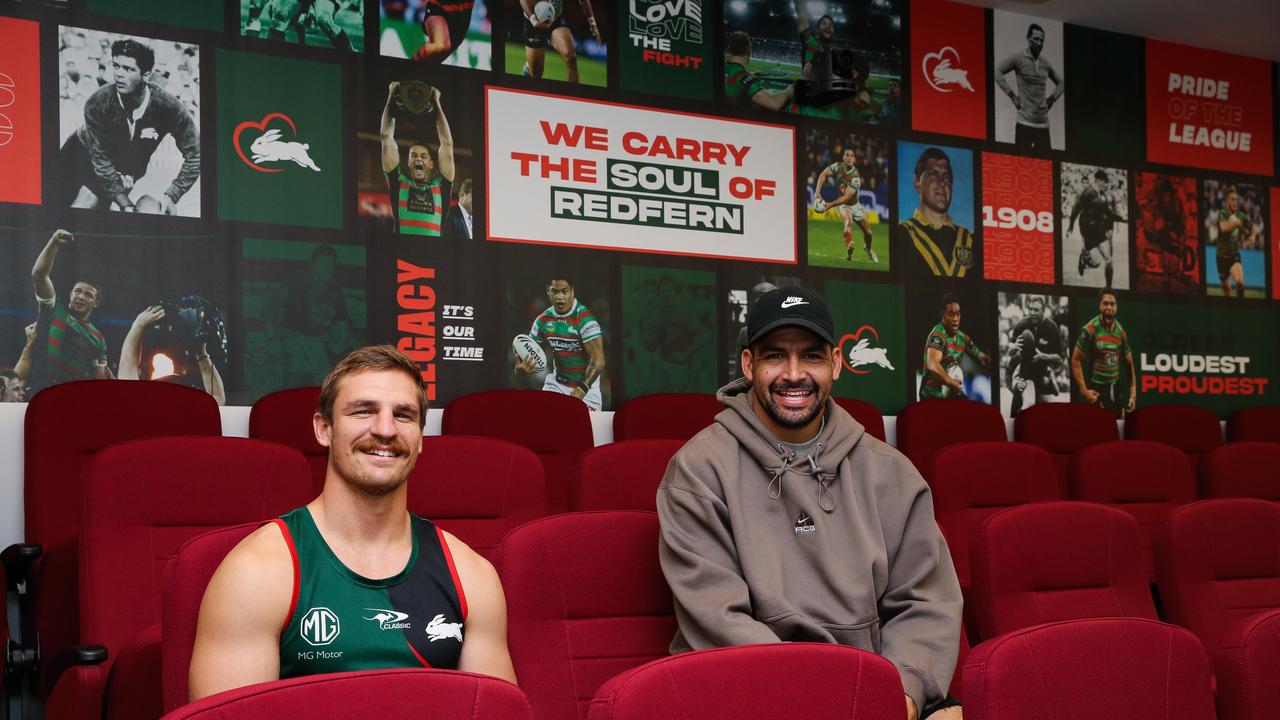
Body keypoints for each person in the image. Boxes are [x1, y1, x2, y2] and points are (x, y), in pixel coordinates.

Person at [658, 286, 963, 720]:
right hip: (752, 695)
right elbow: (720, 621)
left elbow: (925, 604)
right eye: (775, 355)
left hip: (874, 698)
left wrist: (903, 696)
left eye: (812, 356)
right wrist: (823, 701)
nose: (794, 373)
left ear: (836, 363)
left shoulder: (892, 473)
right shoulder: (697, 471)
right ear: (749, 364)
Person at [189, 345, 516, 699]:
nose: (385, 429)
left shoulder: (471, 575)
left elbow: (495, 710)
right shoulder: (256, 572)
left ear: (421, 438)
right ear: (324, 428)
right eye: (363, 411)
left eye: (404, 415)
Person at [57, 38, 200, 213]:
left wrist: (172, 195)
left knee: (89, 208)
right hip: (78, 154)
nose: (119, 74)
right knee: (59, 212)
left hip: (116, 169)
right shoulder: (97, 103)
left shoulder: (168, 107)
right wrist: (123, 201)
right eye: (116, 66)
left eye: (128, 69)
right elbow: (101, 162)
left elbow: (196, 154)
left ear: (146, 75)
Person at [27, 230, 112, 393]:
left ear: (97, 303)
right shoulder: (54, 309)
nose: (81, 297)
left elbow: (99, 379)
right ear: (70, 294)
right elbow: (38, 276)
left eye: (88, 295)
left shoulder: (98, 338)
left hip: (73, 398)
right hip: (39, 392)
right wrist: (54, 243)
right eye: (77, 291)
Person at [514, 278, 605, 410]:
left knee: (581, 429)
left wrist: (581, 389)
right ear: (548, 292)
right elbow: (527, 353)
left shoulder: (585, 320)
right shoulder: (542, 320)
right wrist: (519, 370)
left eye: (564, 291)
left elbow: (599, 361)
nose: (560, 297)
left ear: (572, 292)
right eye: (555, 292)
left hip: (586, 390)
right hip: (556, 386)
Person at [381, 81, 455, 237]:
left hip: (434, 256)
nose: (418, 159)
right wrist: (391, 97)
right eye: (413, 155)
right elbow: (386, 137)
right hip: (403, 254)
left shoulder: (441, 186)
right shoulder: (398, 183)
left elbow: (447, 143)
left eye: (423, 156)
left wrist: (436, 102)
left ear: (431, 164)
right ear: (408, 162)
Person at [118, 305, 227, 405]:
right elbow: (217, 399)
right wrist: (201, 354)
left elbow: (126, 368)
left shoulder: (144, 410)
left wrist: (139, 324)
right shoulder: (189, 413)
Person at [894, 148, 975, 277]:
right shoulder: (900, 234)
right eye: (933, 174)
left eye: (946, 176)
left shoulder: (971, 240)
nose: (941, 182)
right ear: (917, 183)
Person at [994, 23, 1063, 150]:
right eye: (1036, 39)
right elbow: (997, 71)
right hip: (1024, 122)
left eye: (1042, 40)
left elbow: (1061, 83)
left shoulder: (1045, 63)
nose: (1039, 43)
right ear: (1028, 38)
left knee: (1046, 165)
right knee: (1022, 164)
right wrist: (1012, 95)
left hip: (1042, 124)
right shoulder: (1018, 58)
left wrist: (1052, 99)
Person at [1071, 288, 1136, 418]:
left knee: (1120, 423)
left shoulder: (1121, 332)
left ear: (1116, 307)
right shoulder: (1090, 329)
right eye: (1105, 303)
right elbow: (1075, 360)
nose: (1109, 307)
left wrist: (1133, 395)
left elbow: (1129, 363)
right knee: (1099, 427)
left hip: (1115, 386)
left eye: (1112, 304)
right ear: (1100, 305)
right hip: (1096, 388)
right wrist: (1084, 392)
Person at [813, 147, 878, 264]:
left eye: (851, 156)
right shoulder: (838, 166)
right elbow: (823, 174)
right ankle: (849, 250)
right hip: (843, 206)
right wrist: (817, 193)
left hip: (854, 206)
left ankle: (868, 249)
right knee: (848, 222)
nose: (849, 157)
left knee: (868, 233)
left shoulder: (856, 177)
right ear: (843, 157)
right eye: (847, 155)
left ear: (854, 159)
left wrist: (830, 205)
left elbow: (847, 197)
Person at [920, 293, 989, 401]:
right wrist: (951, 382)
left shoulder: (962, 337)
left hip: (950, 392)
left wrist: (985, 359)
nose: (955, 319)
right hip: (932, 396)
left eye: (958, 314)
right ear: (943, 314)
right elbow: (932, 364)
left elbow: (977, 352)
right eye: (951, 314)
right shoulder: (938, 335)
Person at [1004, 295, 1063, 417]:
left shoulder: (1052, 328)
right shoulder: (1022, 325)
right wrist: (1014, 347)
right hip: (1025, 373)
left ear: (1044, 310)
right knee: (1025, 406)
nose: (1032, 313)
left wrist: (1043, 356)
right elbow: (1010, 352)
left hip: (1042, 374)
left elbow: (1060, 358)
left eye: (1036, 310)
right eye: (1030, 309)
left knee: (1055, 410)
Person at [1067, 169, 1126, 287]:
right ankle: (1085, 257)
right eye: (1104, 182)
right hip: (1087, 227)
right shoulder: (1088, 192)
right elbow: (1076, 209)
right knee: (1094, 259)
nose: (1106, 185)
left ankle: (1108, 287)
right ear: (1098, 180)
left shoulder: (1103, 196)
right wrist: (1070, 226)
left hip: (1099, 229)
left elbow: (1108, 213)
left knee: (1108, 260)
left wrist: (1122, 219)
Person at [519, 0, 601, 83]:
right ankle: (528, 68)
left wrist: (592, 23)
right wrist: (533, 20)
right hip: (534, 20)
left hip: (555, 18)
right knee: (536, 74)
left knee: (570, 57)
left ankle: (572, 94)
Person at [1139, 177, 1190, 293]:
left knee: (1173, 269)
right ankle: (1167, 294)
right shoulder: (1158, 207)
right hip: (1166, 240)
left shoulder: (1177, 203)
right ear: (1161, 195)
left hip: (1177, 238)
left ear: (1171, 195)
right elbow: (1156, 225)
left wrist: (1179, 239)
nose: (1167, 197)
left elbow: (1182, 224)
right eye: (1164, 195)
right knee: (1167, 271)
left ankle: (1190, 284)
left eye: (1169, 195)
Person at [724, 32, 795, 113]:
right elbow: (775, 104)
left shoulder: (718, 67)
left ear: (729, 49)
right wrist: (792, 88)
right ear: (749, 51)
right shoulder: (744, 78)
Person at [1215, 186, 1254, 299]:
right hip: (1221, 257)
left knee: (1240, 283)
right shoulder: (1222, 214)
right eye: (1232, 199)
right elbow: (1224, 228)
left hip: (1234, 256)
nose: (1235, 202)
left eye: (1236, 199)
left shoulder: (1241, 216)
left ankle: (1240, 307)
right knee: (1227, 291)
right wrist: (1236, 224)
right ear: (1227, 200)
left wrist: (1252, 236)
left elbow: (1252, 227)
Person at [409, 0, 476, 62]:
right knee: (440, 46)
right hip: (438, 9)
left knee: (433, 60)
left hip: (461, 21)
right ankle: (408, 67)